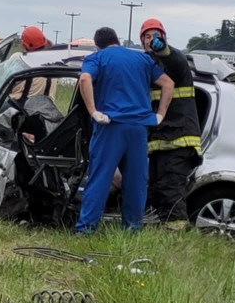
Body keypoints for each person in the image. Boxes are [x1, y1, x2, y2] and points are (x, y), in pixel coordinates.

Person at [74, 26, 174, 234]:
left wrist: (93, 111)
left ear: (97, 44)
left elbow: (85, 79)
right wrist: (160, 114)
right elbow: (168, 84)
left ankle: (86, 229)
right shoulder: (142, 59)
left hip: (110, 126)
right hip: (138, 128)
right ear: (117, 40)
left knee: (100, 178)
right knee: (136, 181)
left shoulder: (97, 58)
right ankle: (132, 228)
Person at [140, 18, 203, 228]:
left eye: (155, 36)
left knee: (170, 187)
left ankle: (176, 233)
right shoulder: (148, 68)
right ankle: (163, 228)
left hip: (179, 138)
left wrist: (162, 48)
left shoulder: (175, 63)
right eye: (147, 37)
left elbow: (172, 56)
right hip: (161, 141)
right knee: (157, 187)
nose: (151, 40)